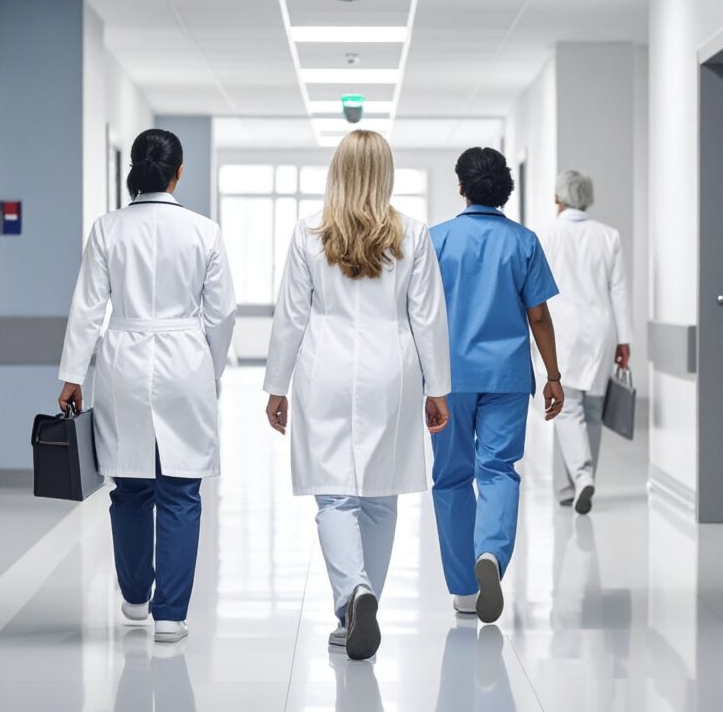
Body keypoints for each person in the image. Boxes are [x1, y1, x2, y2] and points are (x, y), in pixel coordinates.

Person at [263, 129, 451, 661]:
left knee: (334, 495)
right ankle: (361, 604)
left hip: (324, 367)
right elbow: (428, 317)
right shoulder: (413, 234)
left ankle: (353, 595)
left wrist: (276, 385)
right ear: (385, 174)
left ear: (338, 173)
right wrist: (438, 388)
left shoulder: (309, 233)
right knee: (380, 495)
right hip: (392, 369)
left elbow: (291, 316)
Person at [57, 128, 236, 644]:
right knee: (180, 489)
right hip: (186, 362)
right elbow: (222, 313)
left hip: (124, 363)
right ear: (179, 173)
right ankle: (171, 616)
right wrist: (210, 368)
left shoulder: (107, 229)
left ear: (134, 169)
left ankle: (136, 596)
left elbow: (88, 308)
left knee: (131, 486)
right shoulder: (204, 231)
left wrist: (72, 375)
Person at [429, 147, 564, 624]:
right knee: (499, 470)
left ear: (462, 187)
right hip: (507, 377)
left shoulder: (437, 240)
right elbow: (539, 315)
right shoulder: (523, 242)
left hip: (449, 378)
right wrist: (553, 375)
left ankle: (465, 590)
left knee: (451, 477)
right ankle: (490, 553)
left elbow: (421, 315)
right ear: (504, 188)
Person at [539, 170, 632, 515]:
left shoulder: (545, 234)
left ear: (557, 198)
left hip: (560, 330)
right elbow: (618, 290)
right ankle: (575, 484)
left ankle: (580, 478)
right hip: (600, 330)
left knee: (566, 408)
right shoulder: (608, 236)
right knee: (592, 409)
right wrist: (625, 339)